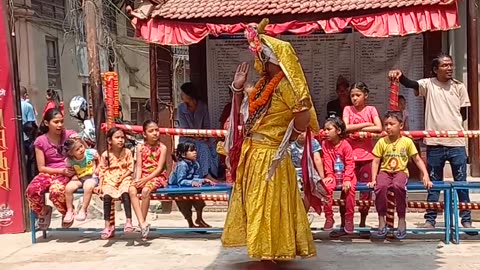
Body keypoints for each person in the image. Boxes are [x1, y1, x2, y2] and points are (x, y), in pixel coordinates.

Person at [221, 19, 319, 261]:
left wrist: (289, 138)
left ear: (274, 57)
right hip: (253, 153)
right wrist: (237, 87)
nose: (259, 58)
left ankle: (270, 252)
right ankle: (262, 250)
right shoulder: (264, 83)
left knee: (268, 205)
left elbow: (303, 116)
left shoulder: (287, 85)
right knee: (255, 202)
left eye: (263, 53)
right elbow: (246, 112)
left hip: (271, 156)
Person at [388, 53, 474, 231]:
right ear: (435, 69)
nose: (449, 68)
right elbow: (411, 84)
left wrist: (453, 125)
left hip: (456, 143)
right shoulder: (428, 84)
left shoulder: (459, 87)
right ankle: (431, 219)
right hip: (435, 143)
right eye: (444, 66)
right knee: (433, 184)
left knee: (462, 183)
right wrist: (400, 75)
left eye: (450, 65)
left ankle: (466, 219)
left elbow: (464, 113)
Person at [367, 111, 432, 239]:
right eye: (386, 124)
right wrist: (373, 179)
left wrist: (425, 175)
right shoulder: (382, 142)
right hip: (385, 172)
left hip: (401, 172)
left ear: (401, 125)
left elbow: (417, 159)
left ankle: (401, 218)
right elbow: (375, 161)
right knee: (380, 188)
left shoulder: (407, 142)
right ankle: (381, 218)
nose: (388, 127)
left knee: (398, 187)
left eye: (392, 124)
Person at [25, 108, 77, 230]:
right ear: (47, 123)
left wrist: (79, 139)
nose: (60, 125)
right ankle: (44, 211)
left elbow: (82, 151)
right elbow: (41, 168)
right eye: (56, 122)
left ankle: (67, 213)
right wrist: (60, 171)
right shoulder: (40, 141)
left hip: (67, 171)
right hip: (50, 172)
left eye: (61, 121)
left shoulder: (69, 135)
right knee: (31, 191)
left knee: (56, 191)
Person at [342, 82, 382, 236]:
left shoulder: (371, 110)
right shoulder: (347, 110)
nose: (354, 98)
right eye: (352, 95)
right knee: (347, 189)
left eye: (357, 95)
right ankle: (346, 223)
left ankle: (363, 223)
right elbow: (345, 127)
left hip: (367, 157)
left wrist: (356, 127)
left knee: (366, 191)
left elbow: (378, 127)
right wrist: (366, 124)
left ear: (365, 95)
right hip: (350, 157)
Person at [129, 120, 167, 237]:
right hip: (144, 176)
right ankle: (142, 222)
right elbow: (139, 166)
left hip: (157, 177)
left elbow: (159, 168)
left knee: (146, 191)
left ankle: (142, 224)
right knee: (131, 189)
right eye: (151, 131)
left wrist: (145, 180)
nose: (155, 133)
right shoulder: (140, 147)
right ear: (144, 134)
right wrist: (138, 179)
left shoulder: (162, 147)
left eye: (156, 130)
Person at [97, 128, 136, 239]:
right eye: (117, 137)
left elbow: (130, 168)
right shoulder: (105, 155)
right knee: (107, 196)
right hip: (110, 178)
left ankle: (128, 221)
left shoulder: (128, 152)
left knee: (125, 192)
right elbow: (102, 170)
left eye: (122, 137)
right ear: (109, 140)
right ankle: (107, 226)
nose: (120, 140)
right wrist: (100, 184)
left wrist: (123, 176)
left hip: (124, 177)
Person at [321, 115, 356, 234]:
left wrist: (347, 179)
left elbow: (350, 163)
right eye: (324, 129)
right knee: (326, 188)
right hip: (333, 175)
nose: (325, 132)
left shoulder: (345, 145)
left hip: (347, 174)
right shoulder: (325, 144)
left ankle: (349, 218)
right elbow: (327, 161)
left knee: (350, 190)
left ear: (338, 131)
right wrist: (329, 175)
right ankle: (329, 216)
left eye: (329, 129)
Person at [177, 82, 219, 178]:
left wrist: (205, 136)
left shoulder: (203, 107)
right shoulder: (181, 108)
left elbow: (207, 125)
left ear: (189, 94)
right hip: (187, 138)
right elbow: (184, 128)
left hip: (202, 136)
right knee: (203, 147)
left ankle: (214, 173)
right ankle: (205, 174)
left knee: (214, 147)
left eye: (183, 93)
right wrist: (196, 137)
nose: (181, 96)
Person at [169, 142, 216, 228]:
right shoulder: (182, 165)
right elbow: (181, 181)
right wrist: (191, 182)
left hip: (189, 189)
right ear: (183, 154)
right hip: (177, 190)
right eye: (191, 151)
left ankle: (199, 219)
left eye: (195, 150)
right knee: (185, 206)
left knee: (199, 202)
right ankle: (190, 223)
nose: (195, 152)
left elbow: (196, 177)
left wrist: (203, 180)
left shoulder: (195, 164)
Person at [290, 131, 324, 224]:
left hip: (309, 171)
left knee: (309, 189)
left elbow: (317, 159)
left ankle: (303, 216)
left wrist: (322, 177)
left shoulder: (313, 142)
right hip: (293, 172)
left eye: (304, 131)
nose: (301, 134)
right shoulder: (290, 143)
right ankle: (296, 216)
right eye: (299, 131)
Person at [63, 138, 99, 223]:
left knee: (88, 186)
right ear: (71, 153)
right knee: (68, 188)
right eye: (77, 149)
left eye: (81, 146)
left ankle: (83, 209)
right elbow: (70, 170)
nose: (81, 149)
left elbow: (99, 160)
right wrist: (73, 175)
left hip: (92, 177)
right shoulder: (70, 161)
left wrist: (98, 168)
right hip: (80, 177)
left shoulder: (90, 153)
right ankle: (69, 210)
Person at [20, 87, 38, 182]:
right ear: (25, 94)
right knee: (31, 160)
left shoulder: (10, 106)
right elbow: (31, 124)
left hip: (15, 139)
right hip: (26, 138)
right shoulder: (27, 106)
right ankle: (29, 180)